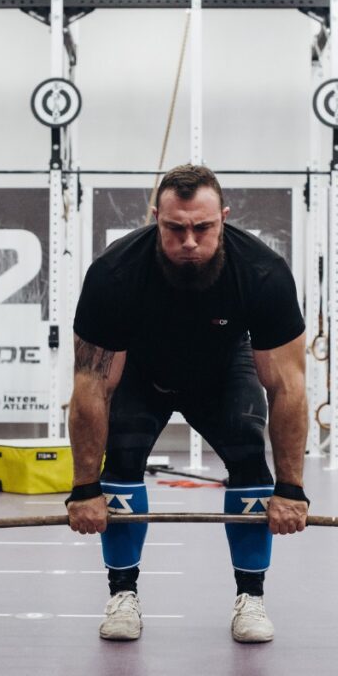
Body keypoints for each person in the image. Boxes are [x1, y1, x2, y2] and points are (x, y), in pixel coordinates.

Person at [65, 164, 309, 643]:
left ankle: (251, 598)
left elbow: (288, 388)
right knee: (125, 454)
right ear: (156, 217)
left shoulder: (262, 273)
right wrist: (85, 487)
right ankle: (122, 594)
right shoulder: (115, 275)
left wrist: (292, 489)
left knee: (246, 450)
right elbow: (91, 388)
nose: (190, 241)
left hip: (222, 373)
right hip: (143, 372)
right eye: (175, 228)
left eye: (203, 227)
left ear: (225, 217)